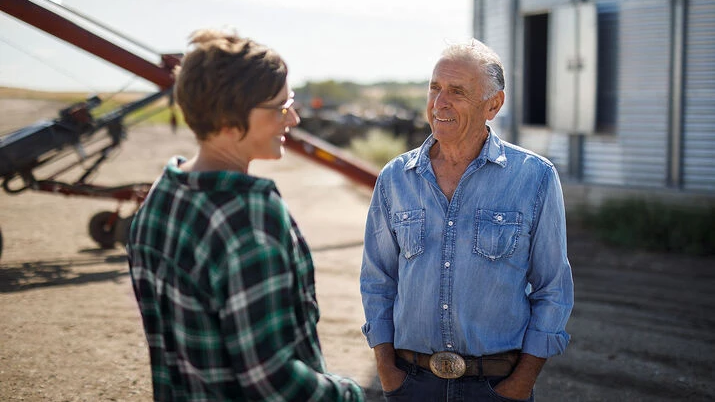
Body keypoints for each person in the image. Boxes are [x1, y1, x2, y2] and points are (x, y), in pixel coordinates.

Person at [127, 29, 364, 401]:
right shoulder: (250, 218)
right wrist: (351, 395)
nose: (294, 120)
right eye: (281, 107)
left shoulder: (161, 198)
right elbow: (271, 379)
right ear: (228, 118)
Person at [360, 39, 574, 401]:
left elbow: (553, 289)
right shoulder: (396, 178)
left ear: (493, 104)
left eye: (457, 92)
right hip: (411, 384)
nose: (440, 103)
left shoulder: (535, 177)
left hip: (496, 386)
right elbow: (377, 280)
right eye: (435, 88)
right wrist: (386, 371)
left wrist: (520, 384)